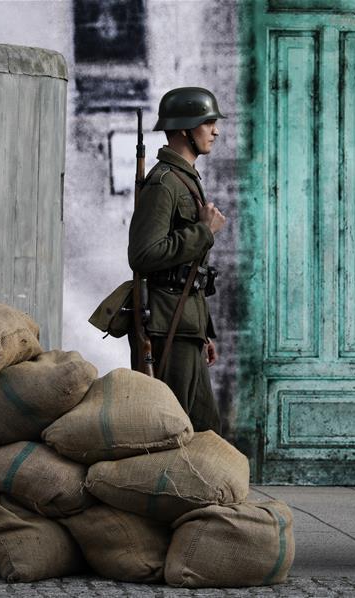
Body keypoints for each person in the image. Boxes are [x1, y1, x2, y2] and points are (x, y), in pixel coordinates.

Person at [127, 87, 227, 433]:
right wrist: (204, 231)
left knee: (203, 428)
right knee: (171, 430)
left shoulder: (185, 180)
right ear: (186, 129)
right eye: (208, 122)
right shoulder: (164, 183)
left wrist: (204, 331)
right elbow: (143, 253)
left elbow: (190, 273)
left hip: (186, 325)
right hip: (166, 325)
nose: (215, 131)